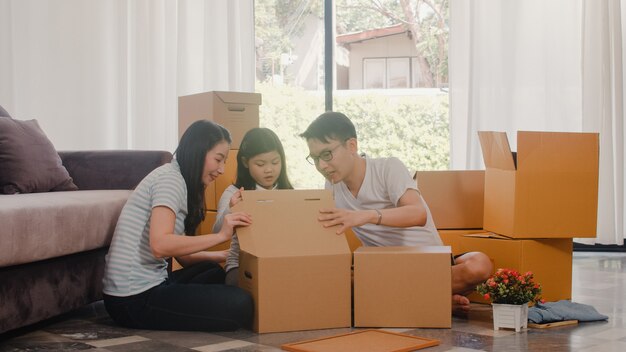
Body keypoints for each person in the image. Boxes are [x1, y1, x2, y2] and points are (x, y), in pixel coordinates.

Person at [300, 111, 493, 312]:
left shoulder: (387, 168)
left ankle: (419, 298)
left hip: (429, 264)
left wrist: (366, 215)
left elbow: (418, 214)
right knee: (333, 277)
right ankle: (434, 299)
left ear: (352, 146)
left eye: (326, 154)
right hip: (385, 268)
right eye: (314, 158)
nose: (321, 165)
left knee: (480, 265)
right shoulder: (332, 186)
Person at [102, 120, 254, 331]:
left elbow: (184, 257)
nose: (221, 169)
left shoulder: (177, 177)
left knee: (213, 271)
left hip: (151, 283)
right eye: (218, 159)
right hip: (133, 298)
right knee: (241, 304)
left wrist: (224, 256)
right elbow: (160, 245)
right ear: (198, 152)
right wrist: (221, 237)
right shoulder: (170, 181)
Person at [213, 127, 294, 286]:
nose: (269, 169)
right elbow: (216, 231)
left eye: (275, 162)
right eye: (260, 164)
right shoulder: (234, 192)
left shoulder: (288, 193)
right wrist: (231, 209)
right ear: (245, 162)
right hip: (241, 265)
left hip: (280, 262)